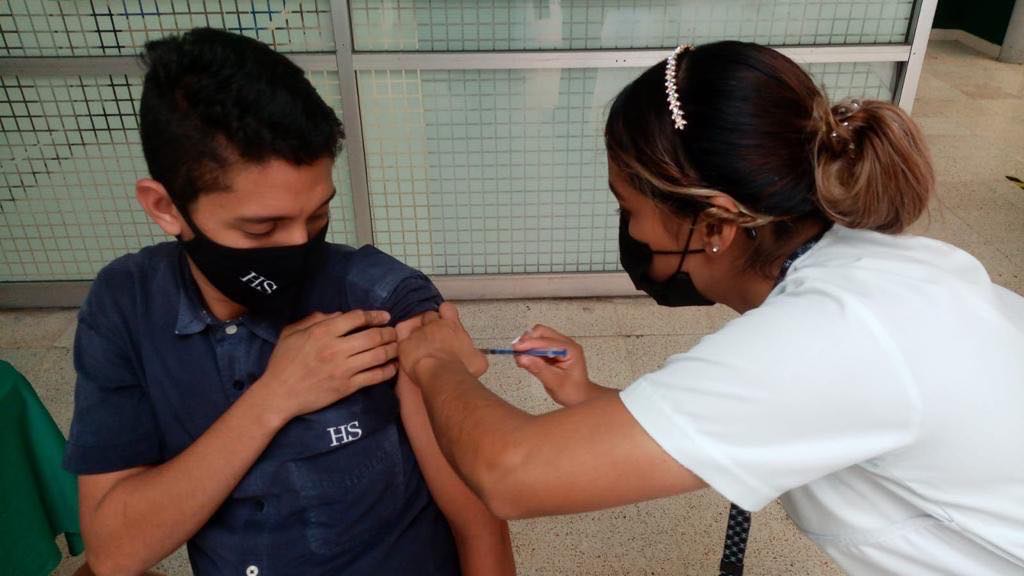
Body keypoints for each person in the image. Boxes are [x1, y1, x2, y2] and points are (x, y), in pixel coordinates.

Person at [396, 41, 1024, 575]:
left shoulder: (827, 338)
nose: (631, 232)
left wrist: (435, 364)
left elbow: (512, 475)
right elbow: (726, 421)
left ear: (716, 223)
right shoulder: (871, 269)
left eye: (628, 207)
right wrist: (586, 396)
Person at [63, 28, 514, 576]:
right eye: (261, 228)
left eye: (319, 214)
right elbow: (114, 552)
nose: (300, 246)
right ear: (166, 208)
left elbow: (480, 519)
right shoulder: (126, 305)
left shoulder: (381, 299)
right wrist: (275, 398)